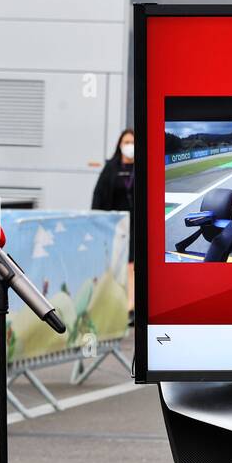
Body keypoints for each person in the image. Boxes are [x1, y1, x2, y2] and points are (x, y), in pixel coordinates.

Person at [91, 129, 136, 325]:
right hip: (114, 225)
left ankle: (131, 307)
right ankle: (112, 306)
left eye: (133, 142)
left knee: (132, 266)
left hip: (135, 224)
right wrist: (97, 219)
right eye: (126, 142)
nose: (129, 146)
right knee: (114, 265)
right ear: (120, 144)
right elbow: (99, 195)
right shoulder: (110, 168)